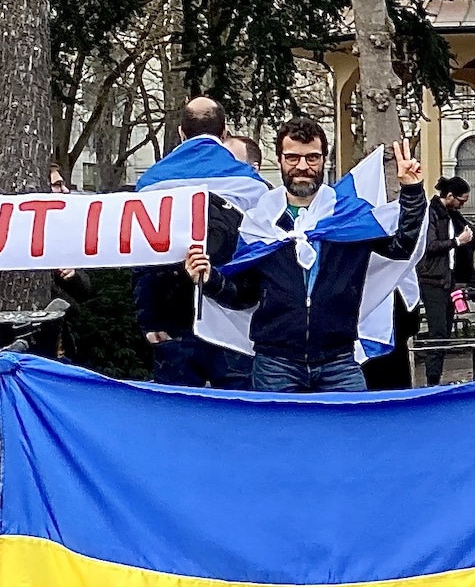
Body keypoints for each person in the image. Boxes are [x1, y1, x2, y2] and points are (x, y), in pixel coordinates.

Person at [189, 121, 426, 393]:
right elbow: (245, 295)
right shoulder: (260, 224)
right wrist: (210, 279)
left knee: (350, 435)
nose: (302, 166)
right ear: (279, 160)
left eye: (311, 157)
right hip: (275, 364)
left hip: (338, 361)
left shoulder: (349, 216)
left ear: (324, 159)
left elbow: (401, 248)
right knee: (281, 436)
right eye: (292, 157)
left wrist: (411, 191)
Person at [133, 97, 251, 388]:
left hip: (173, 322)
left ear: (181, 133)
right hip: (234, 323)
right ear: (224, 134)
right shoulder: (252, 184)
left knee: (178, 425)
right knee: (239, 421)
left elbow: (142, 257)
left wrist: (150, 321)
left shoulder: (150, 184)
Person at [417, 176, 475, 385]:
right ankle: (431, 380)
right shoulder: (431, 213)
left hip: (447, 279)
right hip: (432, 279)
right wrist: (457, 242)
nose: (462, 206)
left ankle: (436, 377)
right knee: (438, 332)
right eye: (461, 201)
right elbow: (430, 246)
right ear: (449, 196)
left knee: (445, 332)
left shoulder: (452, 216)